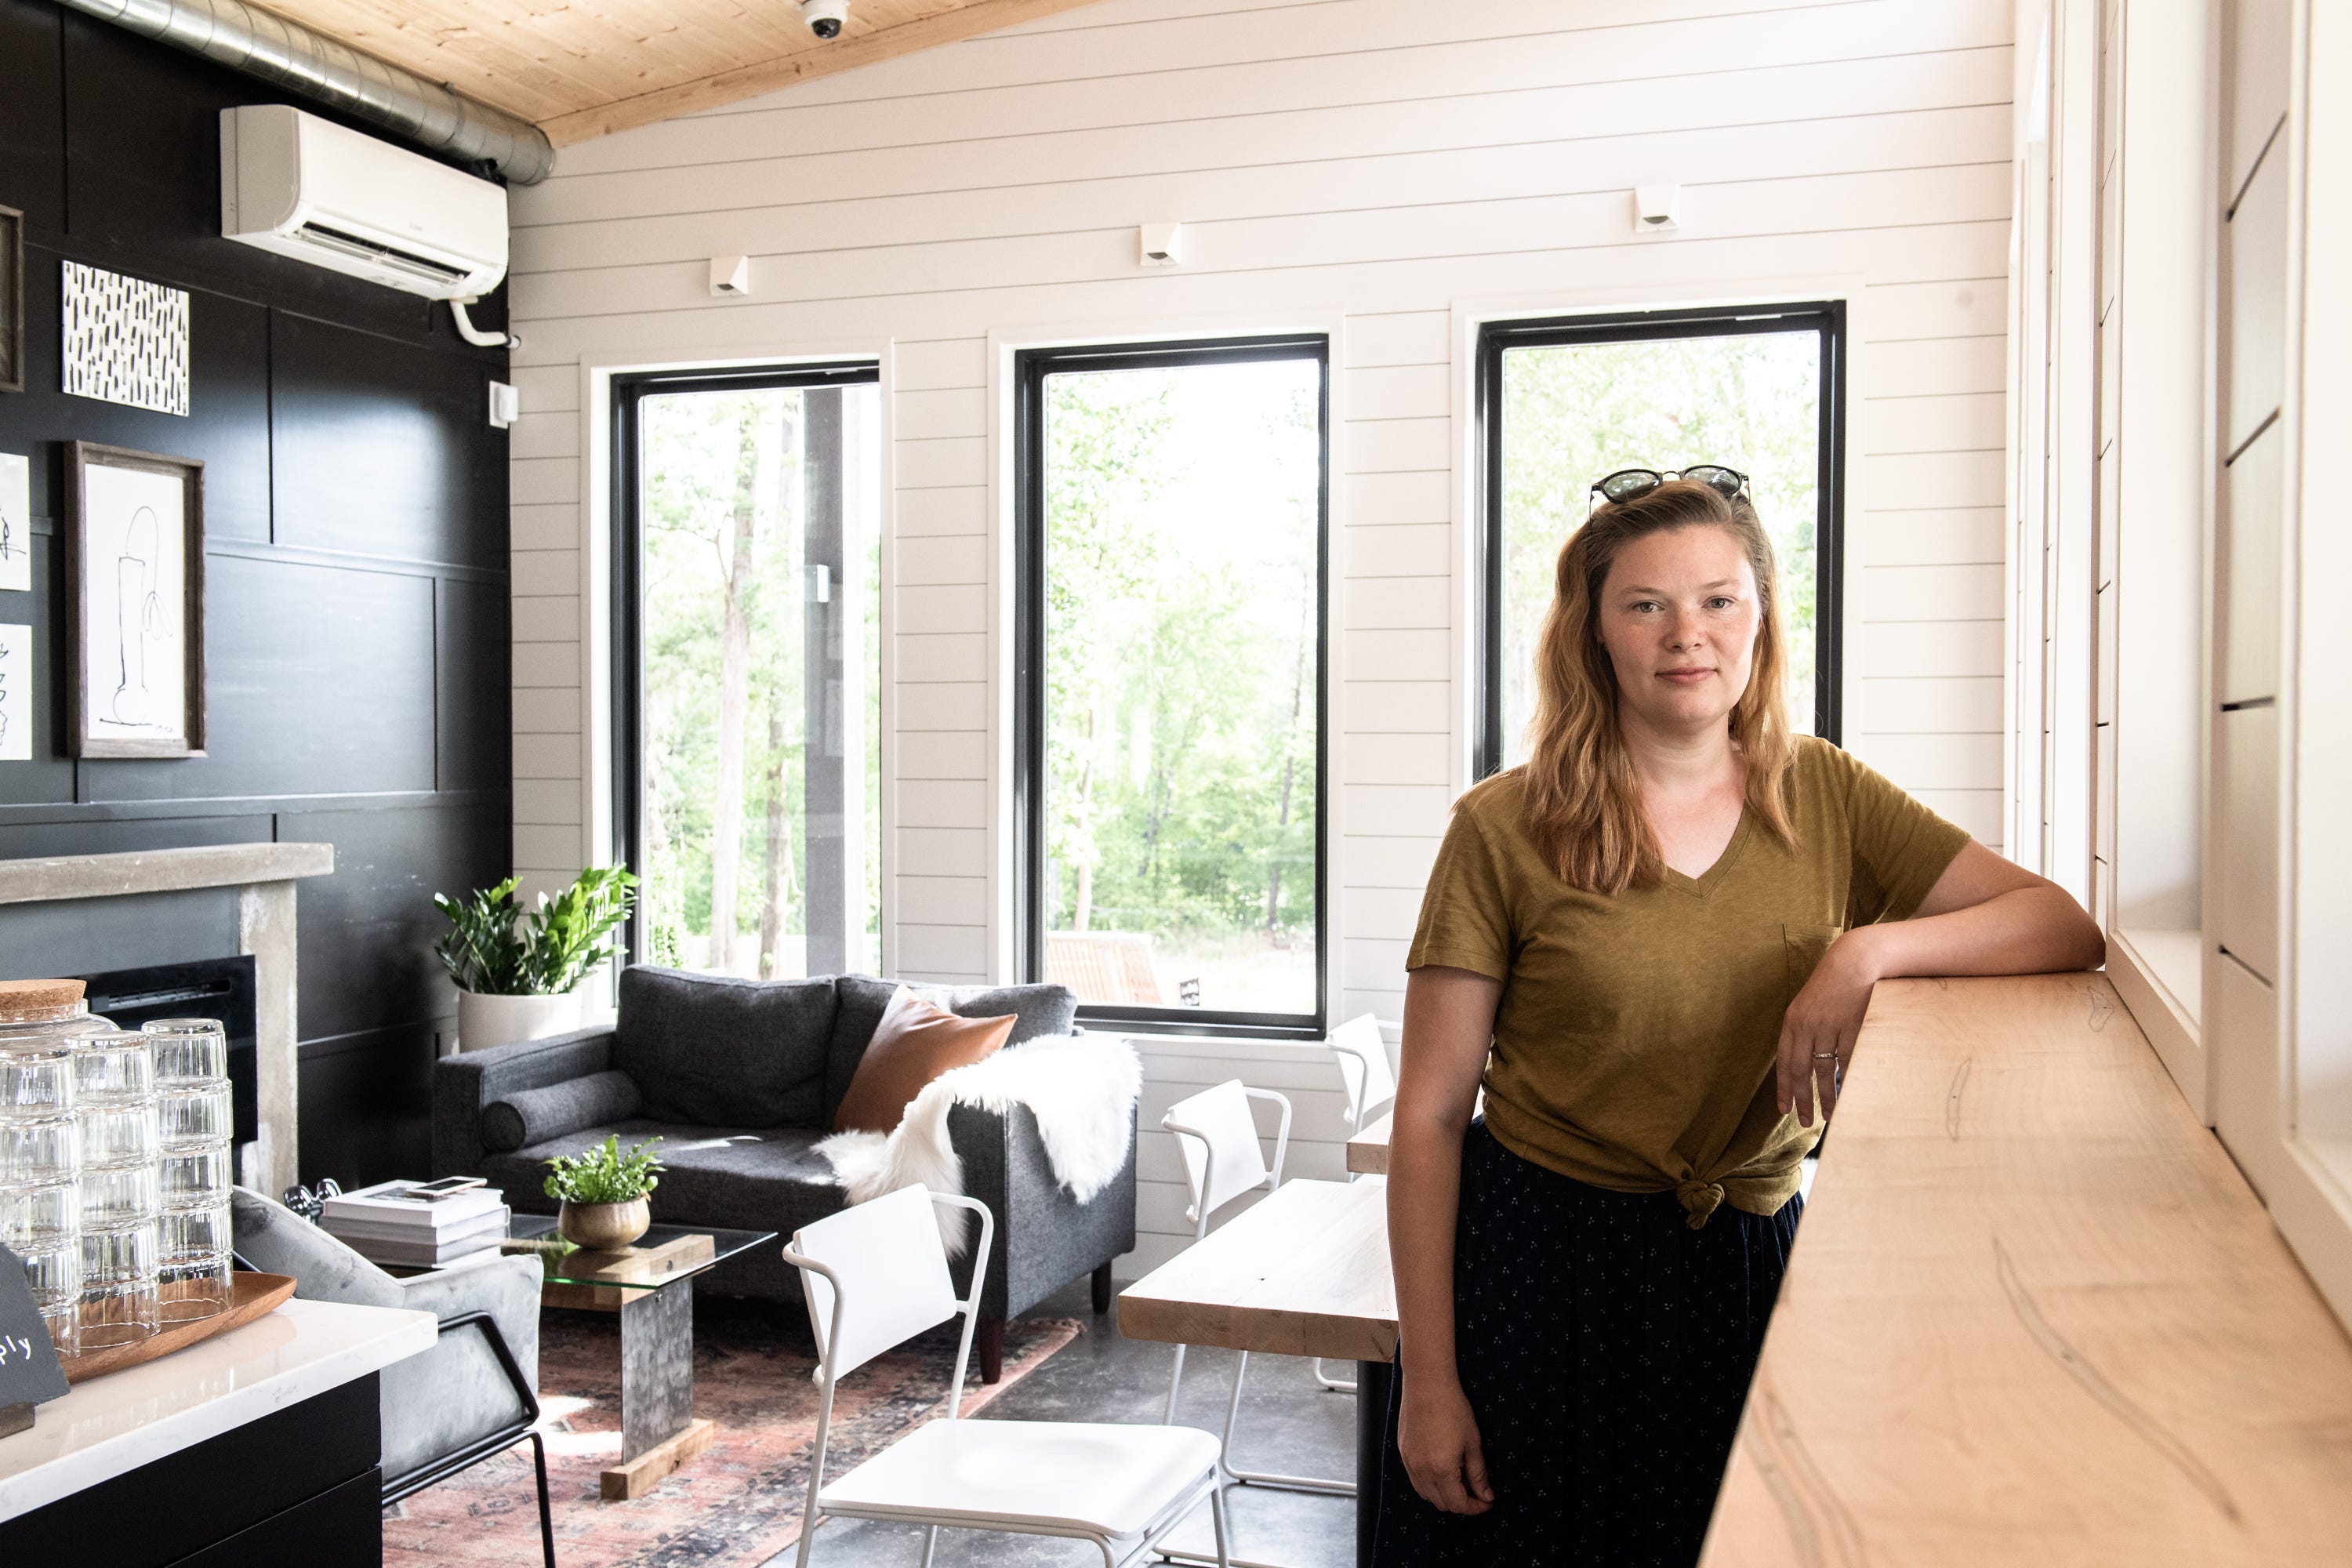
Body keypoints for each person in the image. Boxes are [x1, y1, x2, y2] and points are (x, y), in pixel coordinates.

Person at [1374, 469, 2102, 1565]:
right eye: (1645, 604)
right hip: (1538, 1277)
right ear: (1596, 633)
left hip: (1746, 1270)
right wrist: (1428, 1384)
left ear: (1761, 617)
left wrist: (1870, 949)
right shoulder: (1503, 825)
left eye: (1719, 600)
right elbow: (1428, 1118)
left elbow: (2058, 924)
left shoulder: (1829, 796)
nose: (1687, 635)